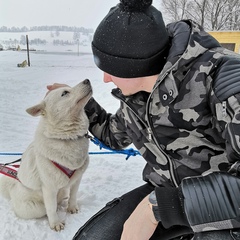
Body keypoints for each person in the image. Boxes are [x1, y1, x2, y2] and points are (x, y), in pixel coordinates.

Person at [47, 0, 240, 239]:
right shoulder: (137, 96)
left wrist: (158, 209)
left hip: (223, 209)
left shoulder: (225, 80)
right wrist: (79, 104)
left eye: (110, 68)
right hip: (164, 191)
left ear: (134, 65)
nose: (106, 78)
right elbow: (112, 135)